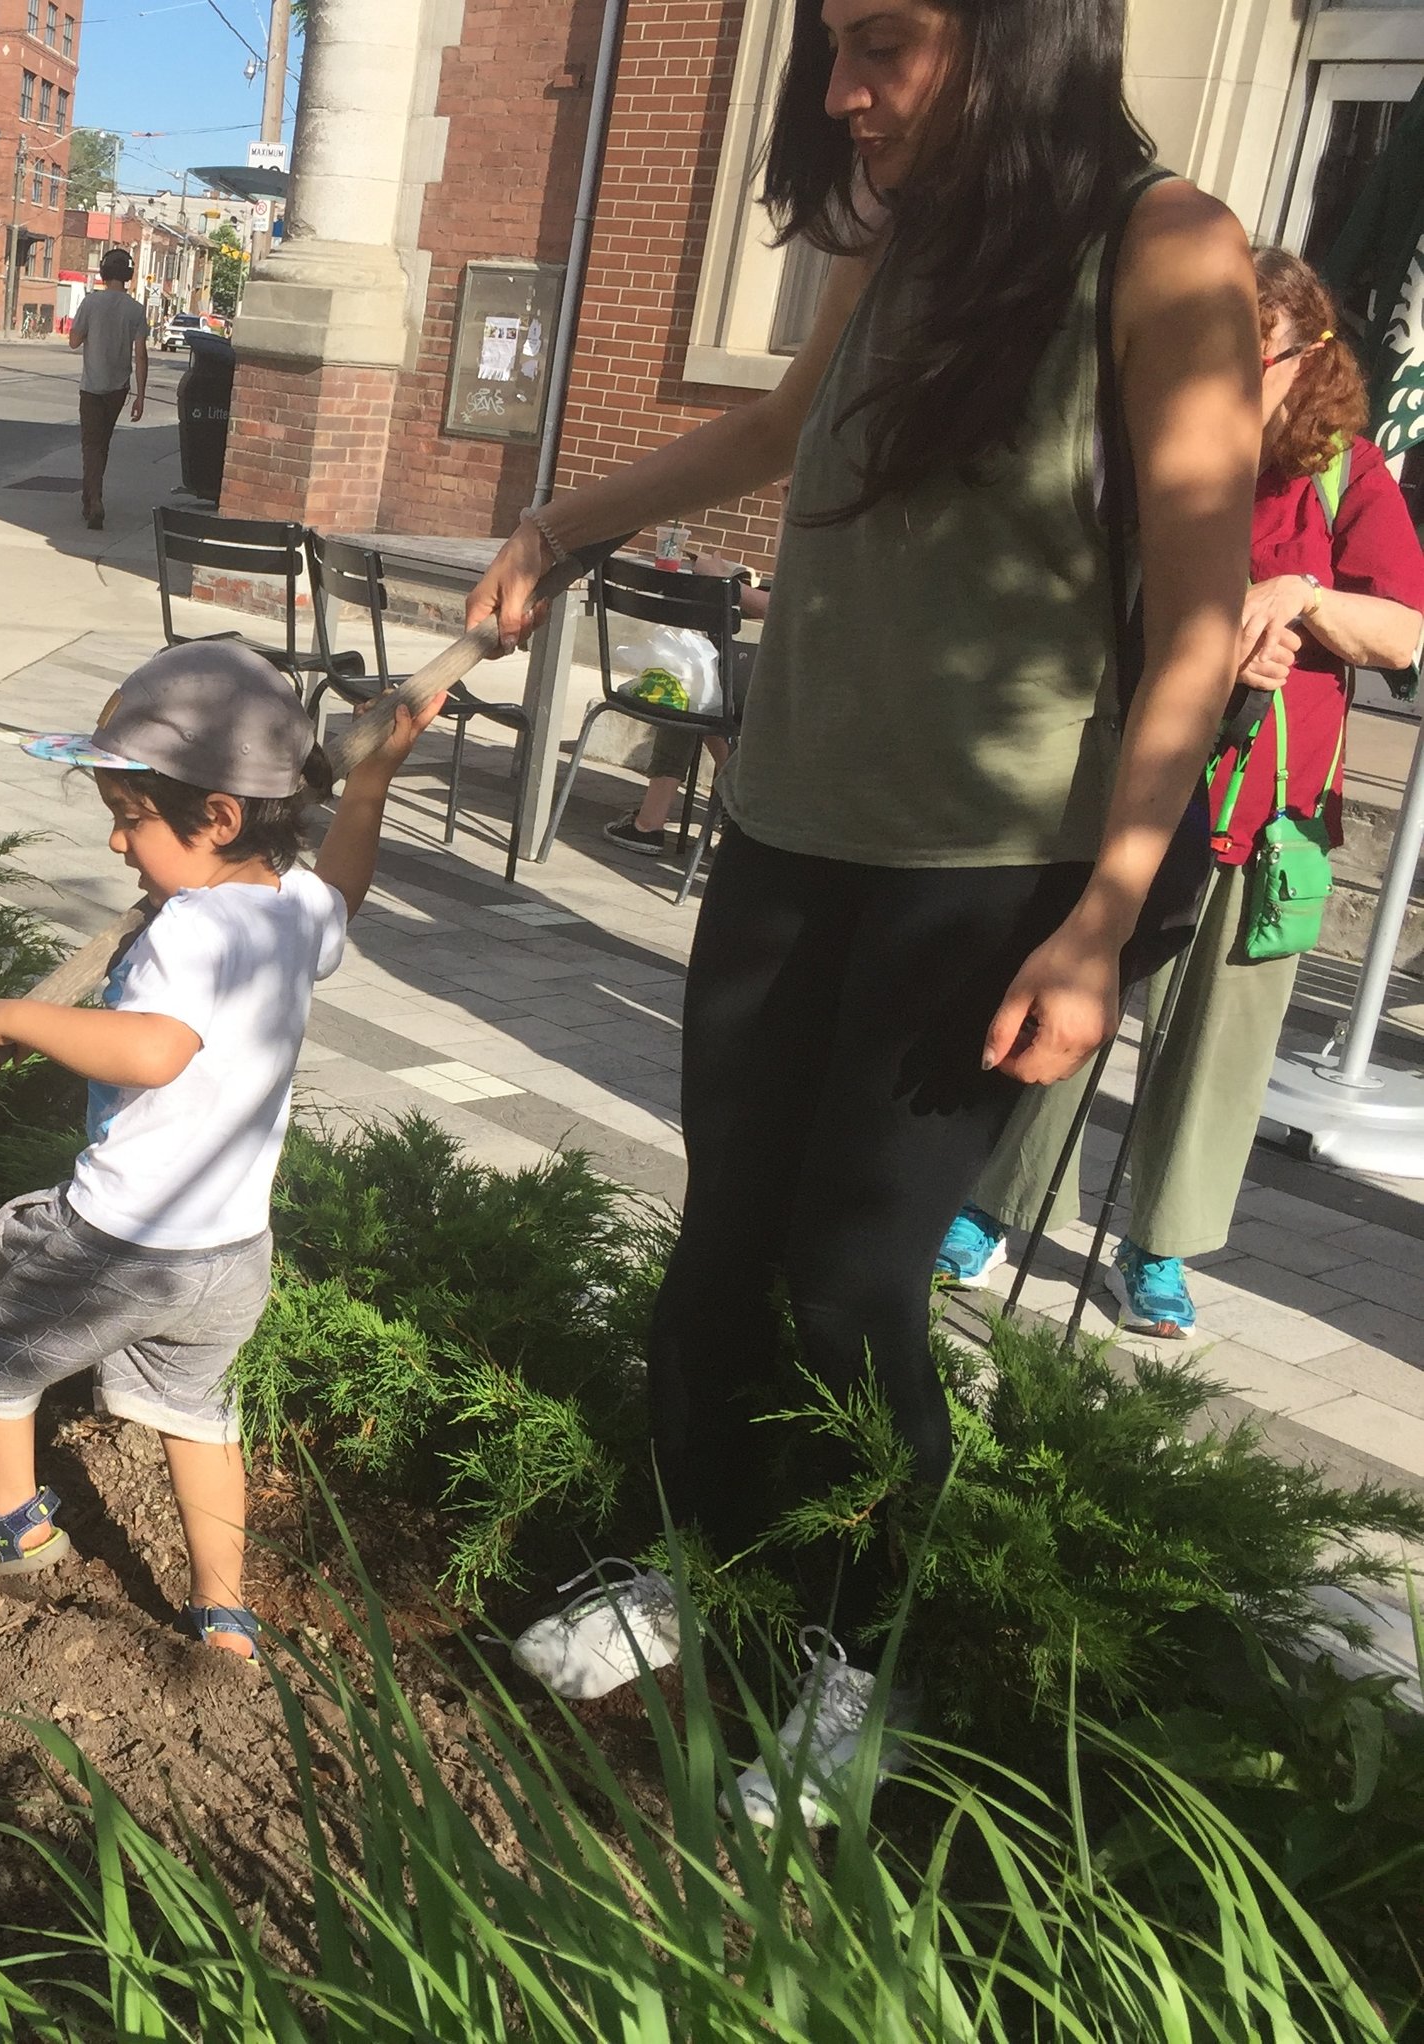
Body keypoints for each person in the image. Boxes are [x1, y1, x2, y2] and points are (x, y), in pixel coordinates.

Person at [463, 0, 1260, 1826]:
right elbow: (770, 430)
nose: (840, 89)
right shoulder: (903, 240)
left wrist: (1104, 912)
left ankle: (856, 1653)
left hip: (989, 877)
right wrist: (562, 519)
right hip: (788, 830)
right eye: (831, 45)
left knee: (851, 1284)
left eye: (881, 41)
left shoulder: (1164, 246)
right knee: (726, 1237)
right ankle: (691, 1563)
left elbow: (1206, 621)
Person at [937, 250, 1424, 1333]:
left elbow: (1403, 629)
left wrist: (1299, 600)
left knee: (1217, 1045)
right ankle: (994, 1202)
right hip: (1134, 781)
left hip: (1268, 808)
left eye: (1263, 363)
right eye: (1220, 359)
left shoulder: (1344, 473)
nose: (1240, 385)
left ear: (1312, 360)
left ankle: (1157, 1244)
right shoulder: (1160, 442)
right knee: (1075, 978)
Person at [0, 643, 435, 1661]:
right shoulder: (291, 911)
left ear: (217, 819)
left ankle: (12, 1520)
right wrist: (371, 777)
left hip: (126, 1237)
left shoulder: (189, 930)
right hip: (230, 1252)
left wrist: (16, 1018)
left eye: (130, 817)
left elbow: (153, 1051)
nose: (117, 844)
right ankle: (223, 1611)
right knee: (197, 1417)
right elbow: (347, 884)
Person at [607, 554, 765, 856]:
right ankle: (733, 795)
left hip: (802, 687)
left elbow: (794, 611)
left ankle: (652, 822)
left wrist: (724, 583)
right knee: (702, 681)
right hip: (805, 679)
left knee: (696, 680)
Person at [67, 247, 150, 530]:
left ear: (103, 273)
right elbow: (141, 355)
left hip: (91, 386)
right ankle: (89, 497)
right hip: (119, 389)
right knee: (102, 444)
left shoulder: (90, 303)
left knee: (90, 445)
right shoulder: (136, 310)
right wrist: (140, 395)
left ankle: (94, 500)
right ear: (128, 275)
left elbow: (74, 342)